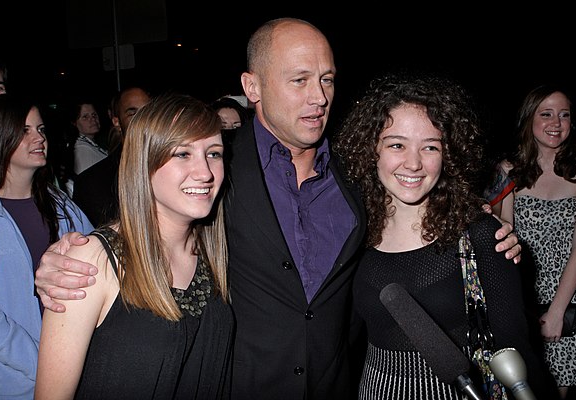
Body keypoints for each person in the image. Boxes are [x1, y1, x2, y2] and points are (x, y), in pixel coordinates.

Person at [34, 18, 521, 400]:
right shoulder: (217, 165)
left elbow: (418, 186)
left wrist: (487, 232)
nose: (319, 96)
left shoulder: (358, 175)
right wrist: (71, 259)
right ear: (252, 86)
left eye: (327, 79)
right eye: (300, 79)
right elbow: (154, 216)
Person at [333, 71, 559, 400]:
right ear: (372, 149)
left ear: (449, 154)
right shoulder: (353, 232)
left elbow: (518, 350)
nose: (413, 163)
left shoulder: (481, 235)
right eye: (397, 144)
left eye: (430, 147)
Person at [34, 92, 234, 399]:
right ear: (144, 162)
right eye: (182, 154)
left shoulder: (215, 252)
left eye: (214, 153)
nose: (205, 172)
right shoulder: (92, 261)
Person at [0, 94, 93, 399]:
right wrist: (42, 363)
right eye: (25, 130)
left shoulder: (61, 203)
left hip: (82, 367)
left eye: (41, 129)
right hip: (22, 382)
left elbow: (98, 263)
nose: (39, 137)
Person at [490, 84, 576, 399]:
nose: (556, 123)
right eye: (546, 114)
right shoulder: (508, 170)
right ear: (529, 119)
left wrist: (558, 311)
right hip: (520, 292)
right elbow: (501, 233)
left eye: (564, 115)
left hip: (567, 294)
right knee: (518, 387)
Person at [72, 86, 151, 226]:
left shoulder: (177, 167)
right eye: (133, 113)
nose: (143, 119)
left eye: (149, 111)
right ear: (117, 122)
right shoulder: (92, 183)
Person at [68, 99, 108, 176]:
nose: (93, 119)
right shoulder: (81, 149)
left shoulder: (93, 143)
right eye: (85, 117)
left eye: (94, 115)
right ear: (74, 123)